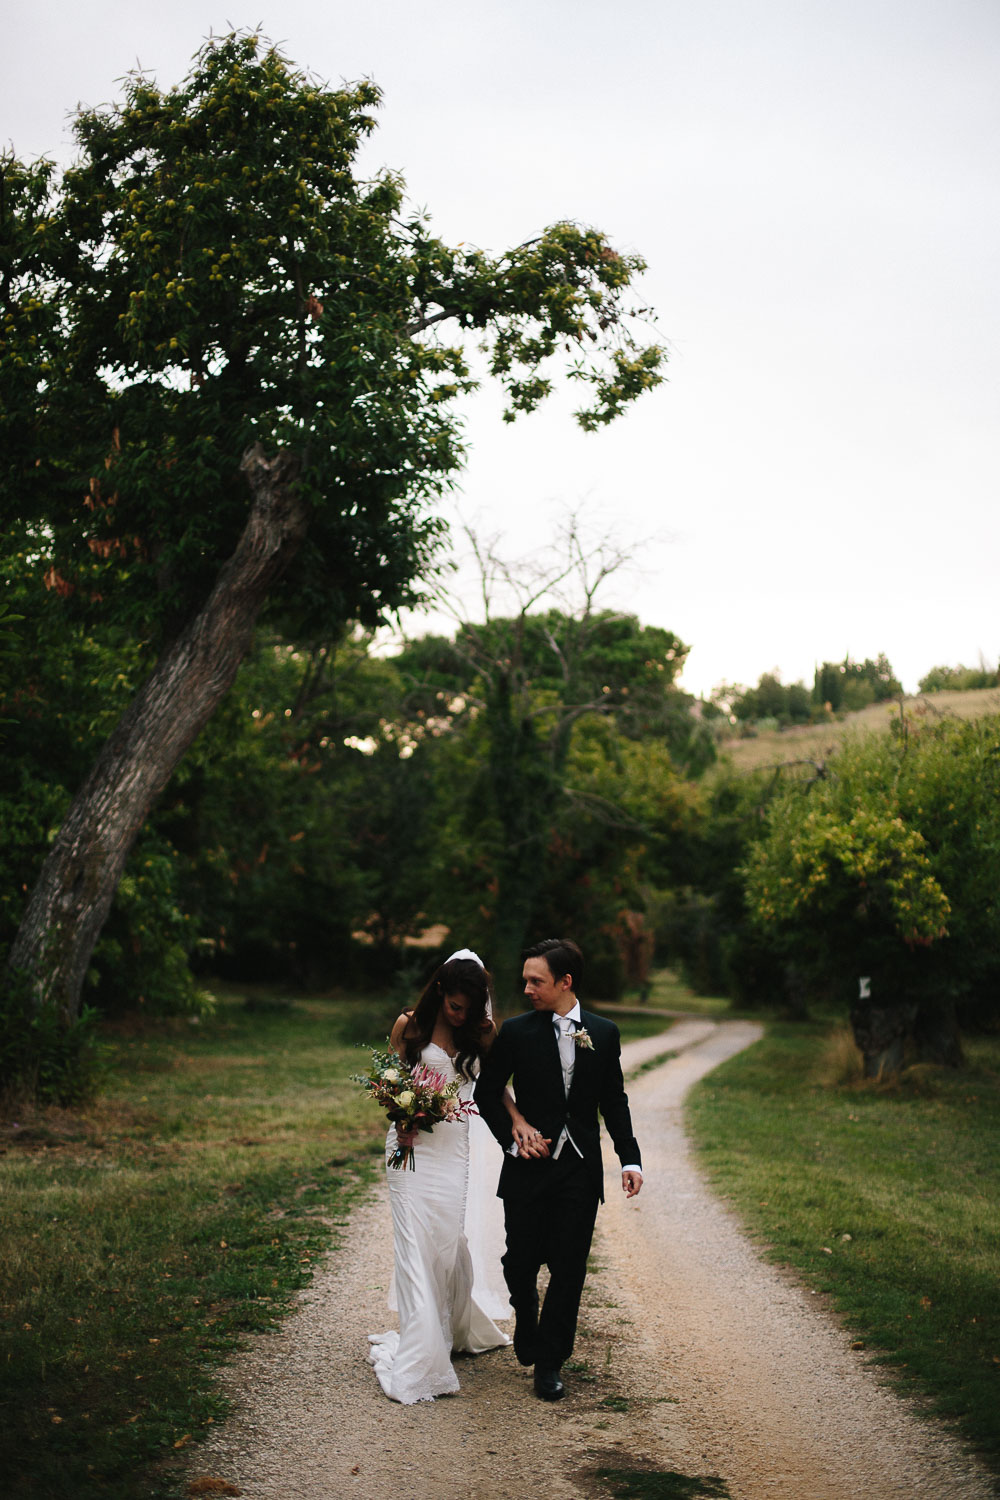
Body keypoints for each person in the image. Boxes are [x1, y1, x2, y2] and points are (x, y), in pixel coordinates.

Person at [474, 937, 642, 1402]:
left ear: (565, 983)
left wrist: (630, 1158)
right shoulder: (518, 1032)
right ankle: (524, 1308)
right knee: (519, 1260)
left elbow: (614, 1101)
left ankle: (550, 1362)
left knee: (569, 1269)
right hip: (528, 1167)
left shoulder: (604, 1033)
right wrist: (514, 1138)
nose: (526, 988)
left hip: (580, 1170)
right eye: (525, 979)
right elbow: (487, 1093)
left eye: (536, 981)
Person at [367, 949, 510, 1404]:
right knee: (413, 1241)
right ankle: (420, 1350)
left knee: (445, 1242)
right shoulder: (409, 1025)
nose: (463, 1013)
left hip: (452, 1152)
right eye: (456, 1005)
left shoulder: (479, 1036)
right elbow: (389, 1079)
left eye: (471, 1007)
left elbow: (494, 1089)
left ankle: (448, 1324)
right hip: (409, 1149)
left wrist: (521, 1123)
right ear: (441, 990)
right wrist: (400, 1113)